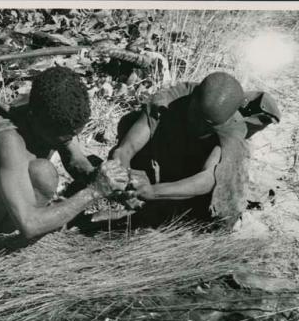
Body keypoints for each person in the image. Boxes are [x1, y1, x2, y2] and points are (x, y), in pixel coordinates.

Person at [0, 66, 129, 241]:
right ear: (37, 121)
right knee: (43, 173)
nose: (68, 141)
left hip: (5, 196)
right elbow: (29, 225)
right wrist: (95, 191)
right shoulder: (8, 139)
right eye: (60, 138)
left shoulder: (47, 110)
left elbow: (74, 158)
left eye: (72, 135)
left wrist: (108, 182)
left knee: (42, 173)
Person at [108, 71, 281, 227]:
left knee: (221, 195)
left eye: (207, 125)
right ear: (193, 98)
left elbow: (209, 177)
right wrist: (122, 174)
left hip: (193, 166)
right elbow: (127, 147)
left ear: (225, 121)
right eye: (196, 114)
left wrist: (153, 192)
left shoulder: (233, 128)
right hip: (169, 149)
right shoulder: (171, 99)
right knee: (129, 121)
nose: (197, 125)